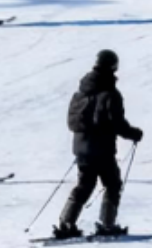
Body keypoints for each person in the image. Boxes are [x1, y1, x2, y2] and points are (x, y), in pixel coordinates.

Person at [53, 49, 142, 237]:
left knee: (85, 185)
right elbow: (117, 123)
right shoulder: (111, 94)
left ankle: (66, 224)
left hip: (81, 148)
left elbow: (71, 122)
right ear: (113, 67)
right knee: (113, 184)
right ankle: (107, 225)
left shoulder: (80, 93)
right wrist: (134, 133)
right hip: (102, 149)